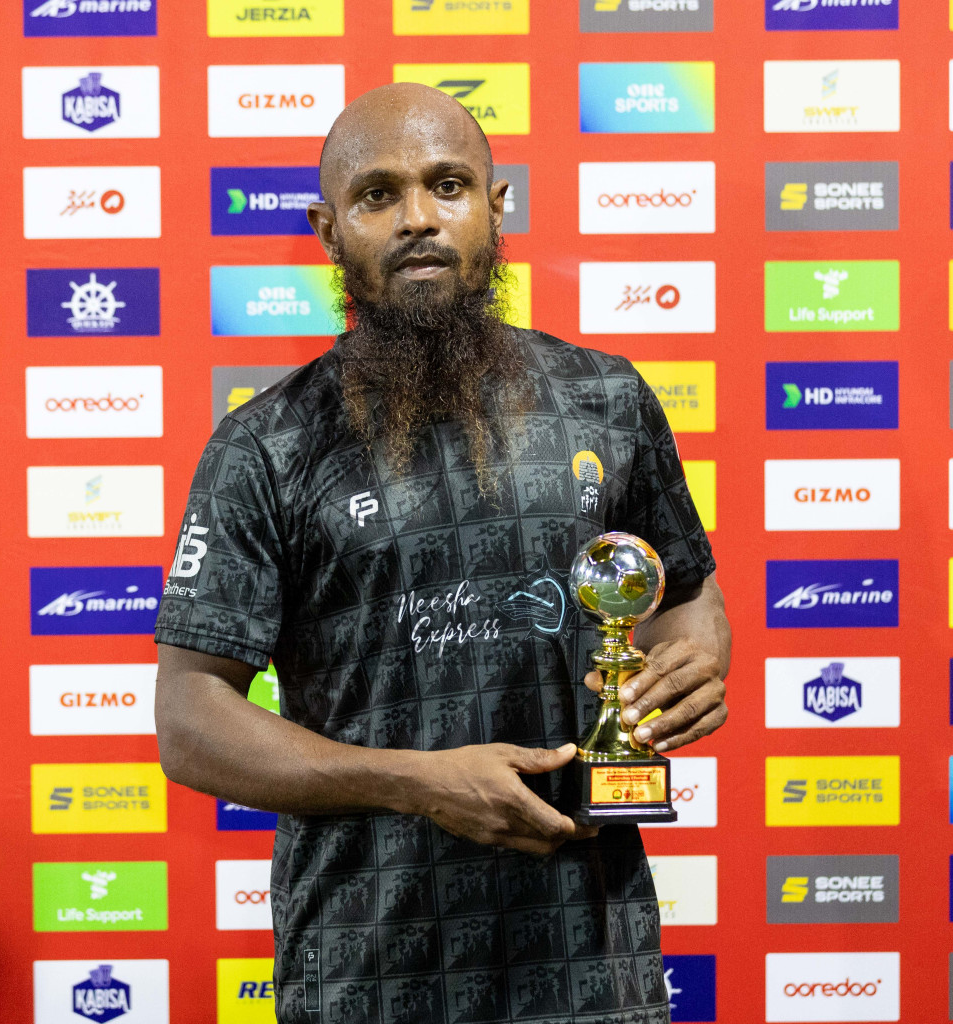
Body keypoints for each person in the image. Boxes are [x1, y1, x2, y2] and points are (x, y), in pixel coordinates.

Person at [154, 82, 730, 1024]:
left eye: (448, 185)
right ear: (328, 229)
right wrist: (415, 784)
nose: (418, 217)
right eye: (377, 195)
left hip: (592, 967)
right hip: (366, 969)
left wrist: (694, 665)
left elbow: (685, 597)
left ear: (496, 206)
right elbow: (189, 718)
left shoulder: (606, 399)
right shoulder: (267, 445)